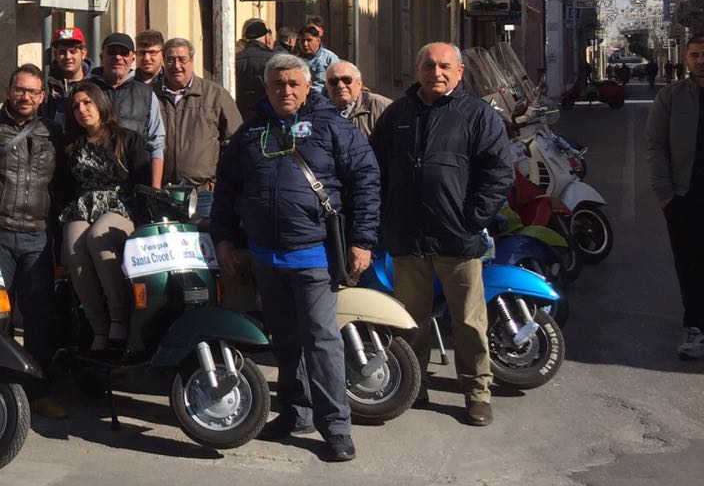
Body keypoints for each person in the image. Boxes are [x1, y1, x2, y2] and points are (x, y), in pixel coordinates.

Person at [212, 54, 379, 463]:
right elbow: (227, 190)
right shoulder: (250, 131)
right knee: (284, 342)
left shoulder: (331, 127)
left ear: (308, 88)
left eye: (293, 84)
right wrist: (224, 240)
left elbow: (366, 182)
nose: (285, 90)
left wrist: (362, 240)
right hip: (266, 257)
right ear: (266, 88)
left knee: (322, 342)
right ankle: (296, 412)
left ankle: (336, 426)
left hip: (314, 255)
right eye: (277, 84)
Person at [370, 43, 514, 426]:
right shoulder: (397, 115)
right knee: (409, 320)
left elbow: (499, 172)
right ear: (417, 70)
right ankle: (413, 386)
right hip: (407, 237)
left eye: (444, 66)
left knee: (468, 322)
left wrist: (473, 218)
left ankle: (477, 391)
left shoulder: (478, 115)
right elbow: (374, 169)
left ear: (460, 71)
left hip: (457, 238)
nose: (436, 71)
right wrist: (384, 218)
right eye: (429, 65)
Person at [0, 64, 65, 418]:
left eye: (33, 92)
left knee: (38, 317)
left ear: (42, 97)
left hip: (37, 236)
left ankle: (38, 392)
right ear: (8, 90)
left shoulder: (53, 131)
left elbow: (63, 184)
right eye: (20, 89)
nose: (26, 97)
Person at [55, 81, 153, 354]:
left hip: (121, 204)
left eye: (87, 103)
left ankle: (119, 319)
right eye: (76, 106)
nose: (82, 110)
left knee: (100, 236)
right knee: (74, 247)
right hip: (82, 205)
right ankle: (98, 327)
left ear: (100, 103)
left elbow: (142, 183)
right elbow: (63, 186)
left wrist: (144, 221)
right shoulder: (72, 145)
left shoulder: (127, 139)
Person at [644, 33, 704, 361]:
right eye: (694, 54)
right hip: (685, 196)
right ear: (686, 57)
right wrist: (665, 194)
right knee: (691, 263)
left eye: (703, 54)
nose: (700, 60)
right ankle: (695, 326)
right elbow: (655, 145)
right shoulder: (671, 97)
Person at [159, 36, 241, 188]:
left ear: (191, 60)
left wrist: (220, 179)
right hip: (162, 188)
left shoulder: (215, 95)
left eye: (182, 59)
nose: (176, 65)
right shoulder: (151, 95)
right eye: (170, 60)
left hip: (203, 190)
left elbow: (236, 142)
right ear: (163, 61)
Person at [90, 33, 166, 188]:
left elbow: (156, 142)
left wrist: (155, 188)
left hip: (135, 182)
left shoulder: (146, 93)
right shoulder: (85, 91)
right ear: (101, 56)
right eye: (112, 52)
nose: (118, 57)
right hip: (92, 183)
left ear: (132, 58)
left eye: (124, 53)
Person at [325, 60, 391, 141]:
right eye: (333, 81)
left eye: (346, 80)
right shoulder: (320, 112)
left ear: (359, 83)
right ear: (327, 86)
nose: (340, 85)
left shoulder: (382, 107)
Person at [42, 26, 91, 126]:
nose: (68, 57)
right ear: (55, 55)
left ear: (83, 53)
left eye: (73, 51)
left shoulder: (95, 83)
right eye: (62, 52)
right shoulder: (45, 84)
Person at [234, 18, 276, 120]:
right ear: (267, 37)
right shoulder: (273, 59)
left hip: (241, 114)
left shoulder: (235, 58)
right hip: (267, 114)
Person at [297, 19, 339, 95]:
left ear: (318, 40)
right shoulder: (295, 61)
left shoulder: (330, 58)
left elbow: (337, 83)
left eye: (309, 40)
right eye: (302, 41)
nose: (305, 44)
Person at [135, 30, 170, 98]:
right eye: (142, 52)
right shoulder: (127, 83)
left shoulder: (171, 83)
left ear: (163, 54)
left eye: (152, 52)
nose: (146, 58)